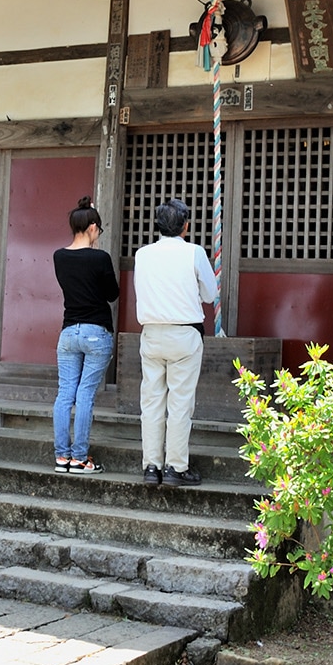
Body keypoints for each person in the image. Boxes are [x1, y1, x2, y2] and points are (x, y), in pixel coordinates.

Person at [132, 198, 217, 488]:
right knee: (180, 403)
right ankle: (175, 467)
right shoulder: (194, 252)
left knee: (152, 402)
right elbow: (209, 294)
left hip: (152, 332)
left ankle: (151, 466)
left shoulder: (142, 254)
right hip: (184, 334)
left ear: (157, 225)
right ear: (185, 225)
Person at [53, 195, 120, 474]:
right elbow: (112, 294)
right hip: (96, 332)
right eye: (99, 230)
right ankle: (80, 457)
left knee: (64, 393)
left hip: (68, 332)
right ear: (93, 227)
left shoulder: (60, 256)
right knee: (85, 395)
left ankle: (62, 456)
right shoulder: (100, 258)